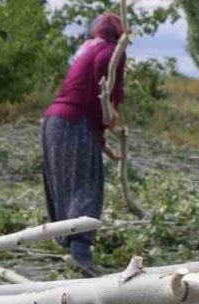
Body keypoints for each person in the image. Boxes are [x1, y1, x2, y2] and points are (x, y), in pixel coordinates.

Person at [41, 12, 127, 277]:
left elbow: (92, 97)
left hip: (53, 122)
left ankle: (67, 242)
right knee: (86, 186)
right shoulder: (111, 51)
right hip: (75, 122)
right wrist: (109, 117)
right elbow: (101, 99)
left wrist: (101, 142)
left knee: (63, 185)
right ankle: (80, 254)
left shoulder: (85, 48)